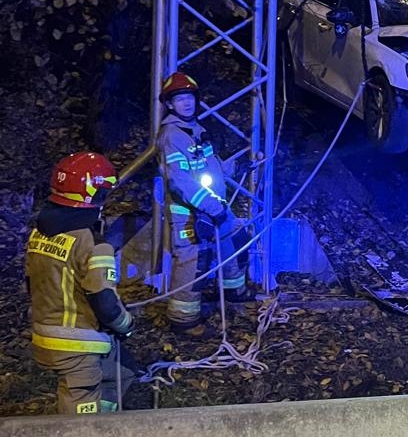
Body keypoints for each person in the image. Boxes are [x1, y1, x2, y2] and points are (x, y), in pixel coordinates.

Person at [26, 152, 133, 416]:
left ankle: (103, 425)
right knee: (78, 420)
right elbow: (105, 303)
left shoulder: (39, 232)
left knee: (123, 372)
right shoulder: (94, 244)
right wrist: (126, 325)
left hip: (44, 332)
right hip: (77, 345)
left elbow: (31, 283)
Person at [157, 72, 249, 328]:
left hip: (213, 208)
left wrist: (236, 167)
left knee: (235, 239)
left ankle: (233, 293)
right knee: (193, 263)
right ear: (170, 104)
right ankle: (183, 320)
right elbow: (180, 181)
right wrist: (213, 207)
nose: (186, 103)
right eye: (180, 99)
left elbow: (211, 169)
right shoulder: (172, 136)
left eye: (189, 98)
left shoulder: (197, 130)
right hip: (188, 214)